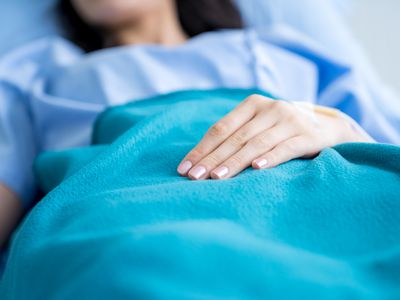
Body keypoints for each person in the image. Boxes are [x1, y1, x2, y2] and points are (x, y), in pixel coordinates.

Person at [0, 0, 395, 248]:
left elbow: (385, 155)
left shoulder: (285, 49)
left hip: (321, 220)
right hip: (132, 233)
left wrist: (336, 127)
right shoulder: (36, 72)